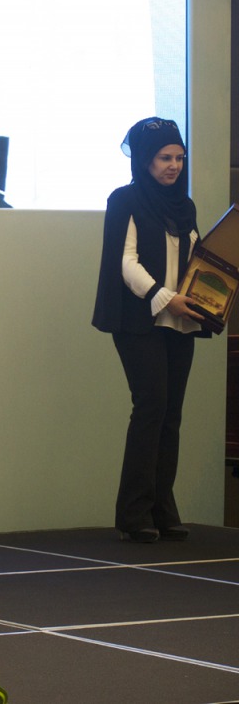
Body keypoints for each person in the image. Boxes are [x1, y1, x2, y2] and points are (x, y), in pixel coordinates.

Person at [92, 117, 205, 543]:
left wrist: (200, 297)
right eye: (164, 158)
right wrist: (163, 296)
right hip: (140, 319)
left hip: (180, 318)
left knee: (171, 412)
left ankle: (163, 509)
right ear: (144, 159)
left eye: (179, 158)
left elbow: (195, 257)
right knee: (152, 404)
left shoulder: (185, 205)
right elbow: (126, 263)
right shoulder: (125, 200)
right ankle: (134, 513)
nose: (173, 166)